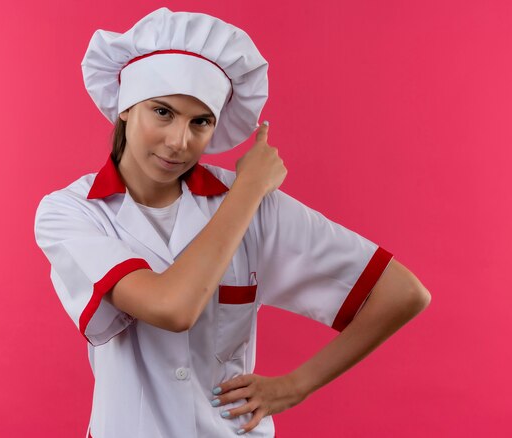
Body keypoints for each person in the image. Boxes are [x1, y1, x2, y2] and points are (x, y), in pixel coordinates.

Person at [34, 7, 431, 438]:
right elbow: (172, 307)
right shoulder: (71, 212)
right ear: (126, 107)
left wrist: (295, 387)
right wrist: (248, 191)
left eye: (200, 121)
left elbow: (403, 293)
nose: (179, 142)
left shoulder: (252, 201)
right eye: (162, 112)